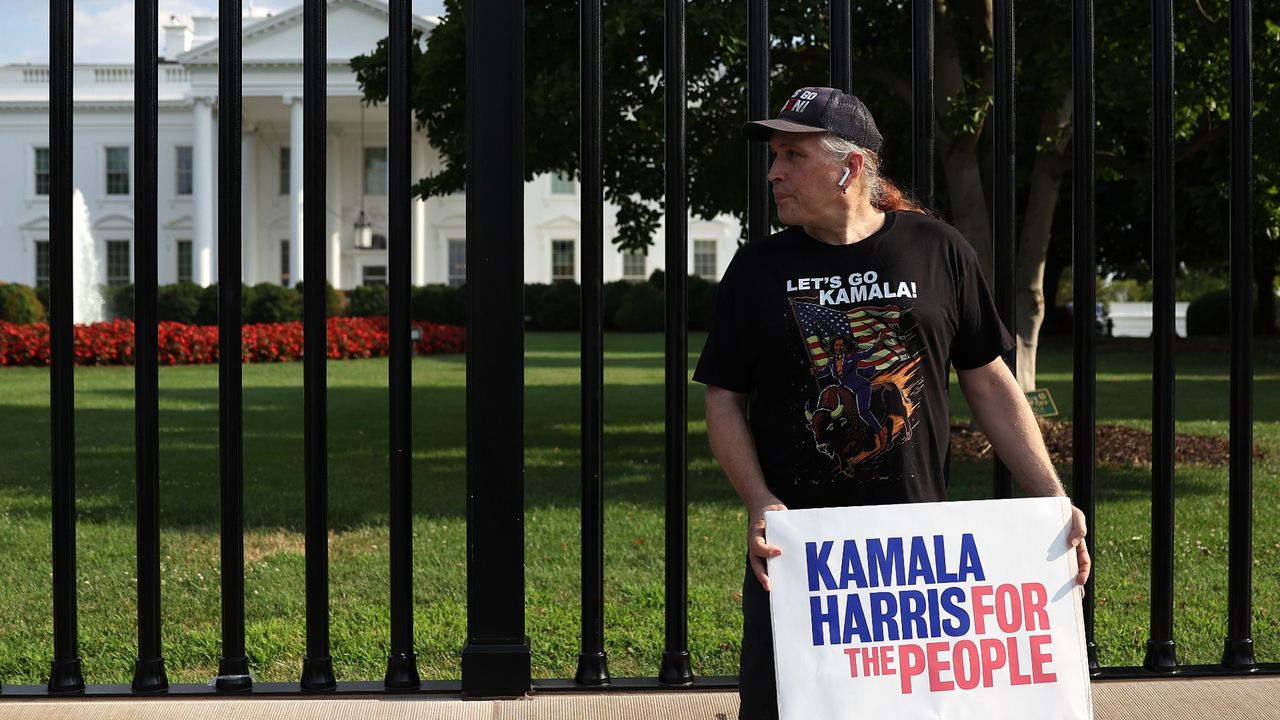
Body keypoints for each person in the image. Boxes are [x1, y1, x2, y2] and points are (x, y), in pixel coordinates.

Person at [691, 86, 1091, 720]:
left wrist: (1049, 496)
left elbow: (988, 380)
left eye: (792, 156)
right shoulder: (756, 268)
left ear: (848, 168)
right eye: (774, 156)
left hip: (913, 557)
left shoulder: (937, 250)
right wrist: (760, 501)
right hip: (800, 555)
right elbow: (723, 399)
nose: (773, 172)